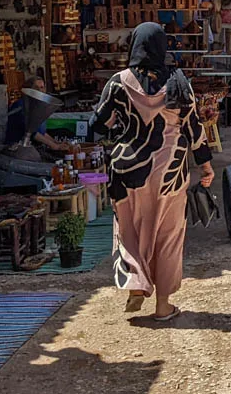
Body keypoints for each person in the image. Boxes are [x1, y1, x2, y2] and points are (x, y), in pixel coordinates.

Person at [91, 22, 213, 322]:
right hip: (168, 172)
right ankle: (163, 306)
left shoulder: (118, 82)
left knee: (129, 230)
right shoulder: (177, 82)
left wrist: (124, 128)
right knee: (168, 235)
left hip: (125, 170)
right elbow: (194, 128)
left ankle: (136, 284)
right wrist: (206, 165)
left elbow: (98, 124)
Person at [5, 76, 72, 154]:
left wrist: (56, 142)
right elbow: (33, 133)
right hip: (16, 148)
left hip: (30, 147)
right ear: (30, 90)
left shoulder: (37, 106)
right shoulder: (21, 105)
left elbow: (41, 132)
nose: (41, 91)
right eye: (37, 88)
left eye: (42, 87)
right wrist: (54, 146)